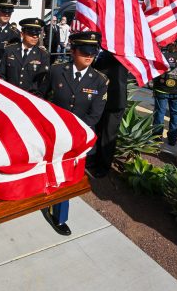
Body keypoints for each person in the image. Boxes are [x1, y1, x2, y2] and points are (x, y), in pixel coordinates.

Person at [43, 31, 108, 235]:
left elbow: (95, 114)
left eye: (93, 52)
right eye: (84, 52)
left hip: (78, 137)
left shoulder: (99, 80)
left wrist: (72, 133)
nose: (89, 56)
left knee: (67, 178)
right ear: (73, 51)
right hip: (53, 132)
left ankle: (59, 217)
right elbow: (43, 98)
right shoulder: (56, 71)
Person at [88, 49, 129, 177]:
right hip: (99, 99)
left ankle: (103, 166)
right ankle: (94, 159)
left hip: (114, 100)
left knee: (108, 134)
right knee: (97, 130)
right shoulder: (102, 53)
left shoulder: (121, 56)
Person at [0, 17, 50, 97]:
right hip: (9, 95)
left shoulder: (43, 55)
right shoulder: (10, 50)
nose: (35, 37)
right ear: (22, 34)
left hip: (31, 98)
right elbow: (1, 74)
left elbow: (43, 83)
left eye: (37, 34)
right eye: (31, 34)